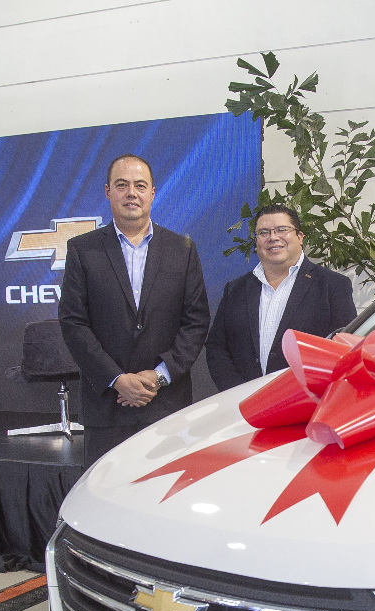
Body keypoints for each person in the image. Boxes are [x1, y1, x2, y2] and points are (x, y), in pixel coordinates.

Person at [59, 154, 210, 468]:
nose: (132, 193)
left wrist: (158, 376)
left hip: (167, 408)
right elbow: (73, 323)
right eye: (122, 185)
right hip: (107, 407)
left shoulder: (182, 250)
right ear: (108, 192)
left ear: (153, 193)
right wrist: (116, 378)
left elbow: (195, 323)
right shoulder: (82, 250)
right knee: (104, 501)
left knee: (165, 502)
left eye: (140, 186)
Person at [205, 204, 356, 392]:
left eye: (282, 230)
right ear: (256, 241)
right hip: (244, 405)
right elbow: (217, 347)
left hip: (307, 404)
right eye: (263, 232)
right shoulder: (236, 289)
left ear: (300, 237)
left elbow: (344, 349)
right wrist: (237, 392)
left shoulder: (332, 286)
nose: (273, 237)